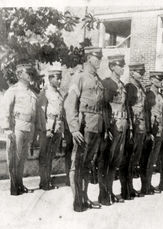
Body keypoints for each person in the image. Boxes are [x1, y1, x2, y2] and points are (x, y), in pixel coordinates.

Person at [64, 46, 103, 212]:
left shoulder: (98, 79)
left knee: (87, 164)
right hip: (83, 126)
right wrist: (73, 128)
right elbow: (70, 103)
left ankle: (85, 197)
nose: (99, 60)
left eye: (100, 57)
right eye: (96, 57)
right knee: (77, 164)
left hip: (96, 126)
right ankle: (77, 200)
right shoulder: (79, 77)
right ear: (88, 58)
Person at [1, 62, 41, 195]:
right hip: (17, 128)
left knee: (22, 159)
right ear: (19, 75)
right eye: (27, 73)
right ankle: (14, 187)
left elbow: (35, 113)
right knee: (14, 158)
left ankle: (20, 184)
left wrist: (36, 131)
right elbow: (5, 110)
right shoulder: (13, 90)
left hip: (29, 128)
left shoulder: (32, 93)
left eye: (31, 73)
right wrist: (7, 128)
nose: (30, 75)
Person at [99, 54, 128, 205]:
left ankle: (109, 191)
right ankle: (103, 194)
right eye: (120, 65)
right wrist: (106, 127)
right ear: (112, 67)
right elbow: (103, 107)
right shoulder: (107, 83)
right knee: (107, 160)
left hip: (122, 125)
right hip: (112, 126)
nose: (123, 68)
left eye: (123, 65)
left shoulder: (121, 84)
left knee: (116, 161)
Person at [121, 63, 146, 200]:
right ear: (132, 73)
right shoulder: (130, 87)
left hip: (141, 125)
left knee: (134, 158)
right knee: (128, 158)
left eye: (142, 72)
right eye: (139, 72)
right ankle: (125, 188)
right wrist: (130, 126)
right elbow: (128, 107)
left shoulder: (139, 86)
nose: (141, 75)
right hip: (134, 125)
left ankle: (130, 187)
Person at [143, 71, 163, 194]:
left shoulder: (160, 95)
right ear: (152, 80)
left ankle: (149, 184)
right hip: (152, 130)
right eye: (157, 80)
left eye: (161, 80)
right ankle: (146, 186)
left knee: (152, 160)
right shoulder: (148, 94)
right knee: (148, 159)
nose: (160, 82)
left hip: (160, 130)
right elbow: (146, 113)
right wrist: (148, 131)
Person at [38, 68, 64, 190]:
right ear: (50, 79)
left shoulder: (59, 93)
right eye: (57, 78)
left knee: (51, 155)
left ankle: (47, 180)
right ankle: (44, 182)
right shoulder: (45, 93)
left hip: (58, 126)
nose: (59, 80)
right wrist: (46, 129)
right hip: (49, 126)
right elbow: (41, 112)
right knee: (45, 156)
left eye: (60, 78)